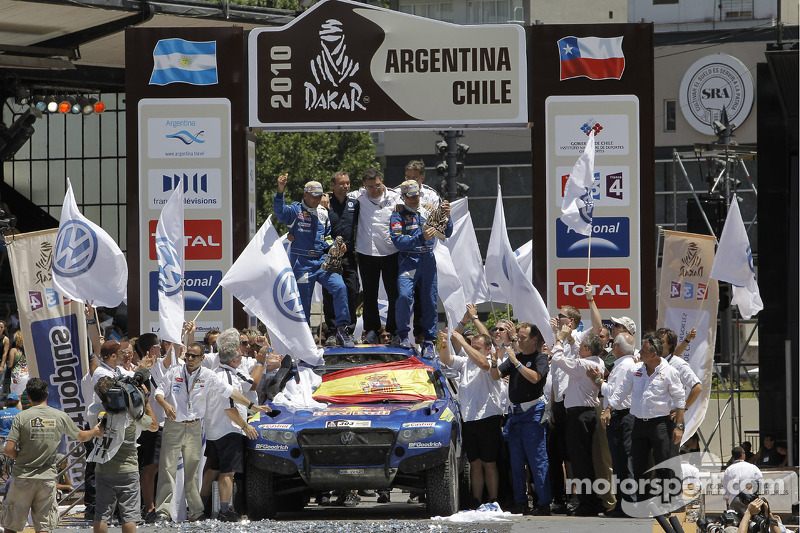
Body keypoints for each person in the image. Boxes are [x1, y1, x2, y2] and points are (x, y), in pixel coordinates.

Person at [147, 342, 270, 523]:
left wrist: (252, 405)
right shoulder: (175, 372)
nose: (189, 359)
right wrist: (165, 405)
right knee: (167, 468)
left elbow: (231, 392)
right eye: (188, 355)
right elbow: (158, 391)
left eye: (194, 356)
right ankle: (163, 511)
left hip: (195, 426)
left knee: (193, 471)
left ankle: (196, 511)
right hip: (173, 425)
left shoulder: (208, 375)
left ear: (202, 358)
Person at [0, 378, 103, 533]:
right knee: (43, 527)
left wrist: (20, 457)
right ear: (47, 394)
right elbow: (81, 436)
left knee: (11, 526)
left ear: (28, 396)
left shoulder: (21, 417)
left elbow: (8, 449)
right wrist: (95, 432)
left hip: (22, 477)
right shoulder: (59, 416)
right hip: (46, 479)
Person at [273, 173, 354, 348]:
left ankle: (341, 329)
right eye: (314, 196)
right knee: (304, 301)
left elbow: (327, 236)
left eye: (319, 196)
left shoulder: (324, 212)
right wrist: (280, 190)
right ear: (305, 195)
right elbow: (279, 212)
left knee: (340, 287)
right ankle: (304, 337)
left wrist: (335, 247)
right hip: (302, 262)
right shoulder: (295, 211)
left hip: (322, 261)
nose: (317, 200)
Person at [605, 333, 685, 508]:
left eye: (643, 350)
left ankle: (666, 504)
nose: (639, 353)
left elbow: (680, 399)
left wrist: (679, 425)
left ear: (654, 354)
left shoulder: (669, 372)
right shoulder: (636, 370)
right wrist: (609, 408)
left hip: (660, 424)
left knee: (663, 465)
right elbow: (621, 391)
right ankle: (643, 504)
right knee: (640, 466)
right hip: (639, 423)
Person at [490, 323, 551, 516]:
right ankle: (520, 502)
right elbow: (495, 376)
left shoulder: (540, 358)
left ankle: (543, 502)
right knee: (516, 462)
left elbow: (535, 378)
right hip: (515, 414)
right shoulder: (515, 359)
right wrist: (494, 362)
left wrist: (516, 363)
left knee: (537, 459)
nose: (519, 340)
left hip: (533, 411)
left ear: (534, 340)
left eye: (522, 337)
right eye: (518, 337)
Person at [200, 330, 261, 522]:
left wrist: (252, 406)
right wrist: (245, 426)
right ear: (234, 360)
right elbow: (230, 408)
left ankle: (200, 508)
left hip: (214, 430)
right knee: (228, 472)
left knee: (213, 470)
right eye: (240, 356)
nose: (242, 358)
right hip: (229, 430)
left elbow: (237, 396)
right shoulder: (227, 377)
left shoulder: (217, 373)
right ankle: (226, 510)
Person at [440, 327, 504, 508]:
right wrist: (444, 344)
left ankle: (493, 499)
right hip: (469, 418)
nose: (473, 349)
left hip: (488, 417)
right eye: (472, 346)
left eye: (478, 347)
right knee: (475, 462)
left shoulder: (492, 361)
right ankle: (476, 500)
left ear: (487, 349)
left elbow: (483, 364)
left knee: (489, 462)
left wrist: (462, 343)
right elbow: (447, 359)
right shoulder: (465, 362)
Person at [389, 180, 452, 357]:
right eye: (410, 196)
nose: (414, 199)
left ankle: (429, 341)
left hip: (428, 259)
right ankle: (402, 335)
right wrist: (421, 237)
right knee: (403, 295)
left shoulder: (429, 209)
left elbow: (446, 232)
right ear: (403, 197)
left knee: (430, 301)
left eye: (416, 195)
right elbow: (398, 241)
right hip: (409, 259)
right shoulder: (397, 215)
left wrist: (448, 216)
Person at [89, 376, 159, 533]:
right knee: (129, 516)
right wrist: (145, 401)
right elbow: (154, 426)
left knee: (101, 515)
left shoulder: (94, 411)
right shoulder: (131, 413)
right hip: (128, 470)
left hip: (103, 469)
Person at [550, 327, 606, 516]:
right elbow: (576, 354)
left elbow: (558, 359)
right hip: (586, 414)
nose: (579, 347)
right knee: (584, 460)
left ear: (588, 350)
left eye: (582, 346)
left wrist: (559, 339)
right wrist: (573, 342)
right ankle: (589, 500)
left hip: (579, 416)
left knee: (581, 461)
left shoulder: (583, 365)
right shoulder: (597, 361)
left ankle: (587, 503)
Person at [589, 332, 637, 514]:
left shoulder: (624, 367)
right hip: (622, 415)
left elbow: (614, 393)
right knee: (620, 462)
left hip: (622, 416)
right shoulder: (624, 365)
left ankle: (628, 505)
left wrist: (597, 380)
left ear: (616, 346)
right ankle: (624, 504)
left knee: (622, 462)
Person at [353, 168, 402, 344]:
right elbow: (338, 192)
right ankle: (371, 330)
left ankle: (394, 331)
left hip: (391, 252)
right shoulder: (358, 196)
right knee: (369, 294)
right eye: (370, 186)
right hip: (367, 252)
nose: (375, 189)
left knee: (394, 294)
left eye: (378, 185)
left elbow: (416, 200)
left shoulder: (397, 196)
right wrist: (326, 196)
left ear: (383, 182)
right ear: (364, 187)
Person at [322, 171, 360, 336]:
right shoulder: (324, 203)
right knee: (330, 292)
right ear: (333, 185)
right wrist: (324, 195)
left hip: (349, 255)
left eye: (347, 183)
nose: (345, 186)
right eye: (341, 183)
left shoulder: (355, 203)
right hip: (329, 255)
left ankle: (349, 330)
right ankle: (331, 331)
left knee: (352, 290)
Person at [722, 446, 763, 510]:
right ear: (742, 455)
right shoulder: (753, 467)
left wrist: (727, 505)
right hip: (750, 500)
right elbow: (759, 482)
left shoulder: (729, 470)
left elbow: (726, 489)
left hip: (734, 500)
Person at [7, 331, 28, 397]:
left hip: (17, 376)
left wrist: (7, 363)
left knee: (16, 397)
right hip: (27, 374)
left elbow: (10, 364)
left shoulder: (14, 350)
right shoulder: (28, 350)